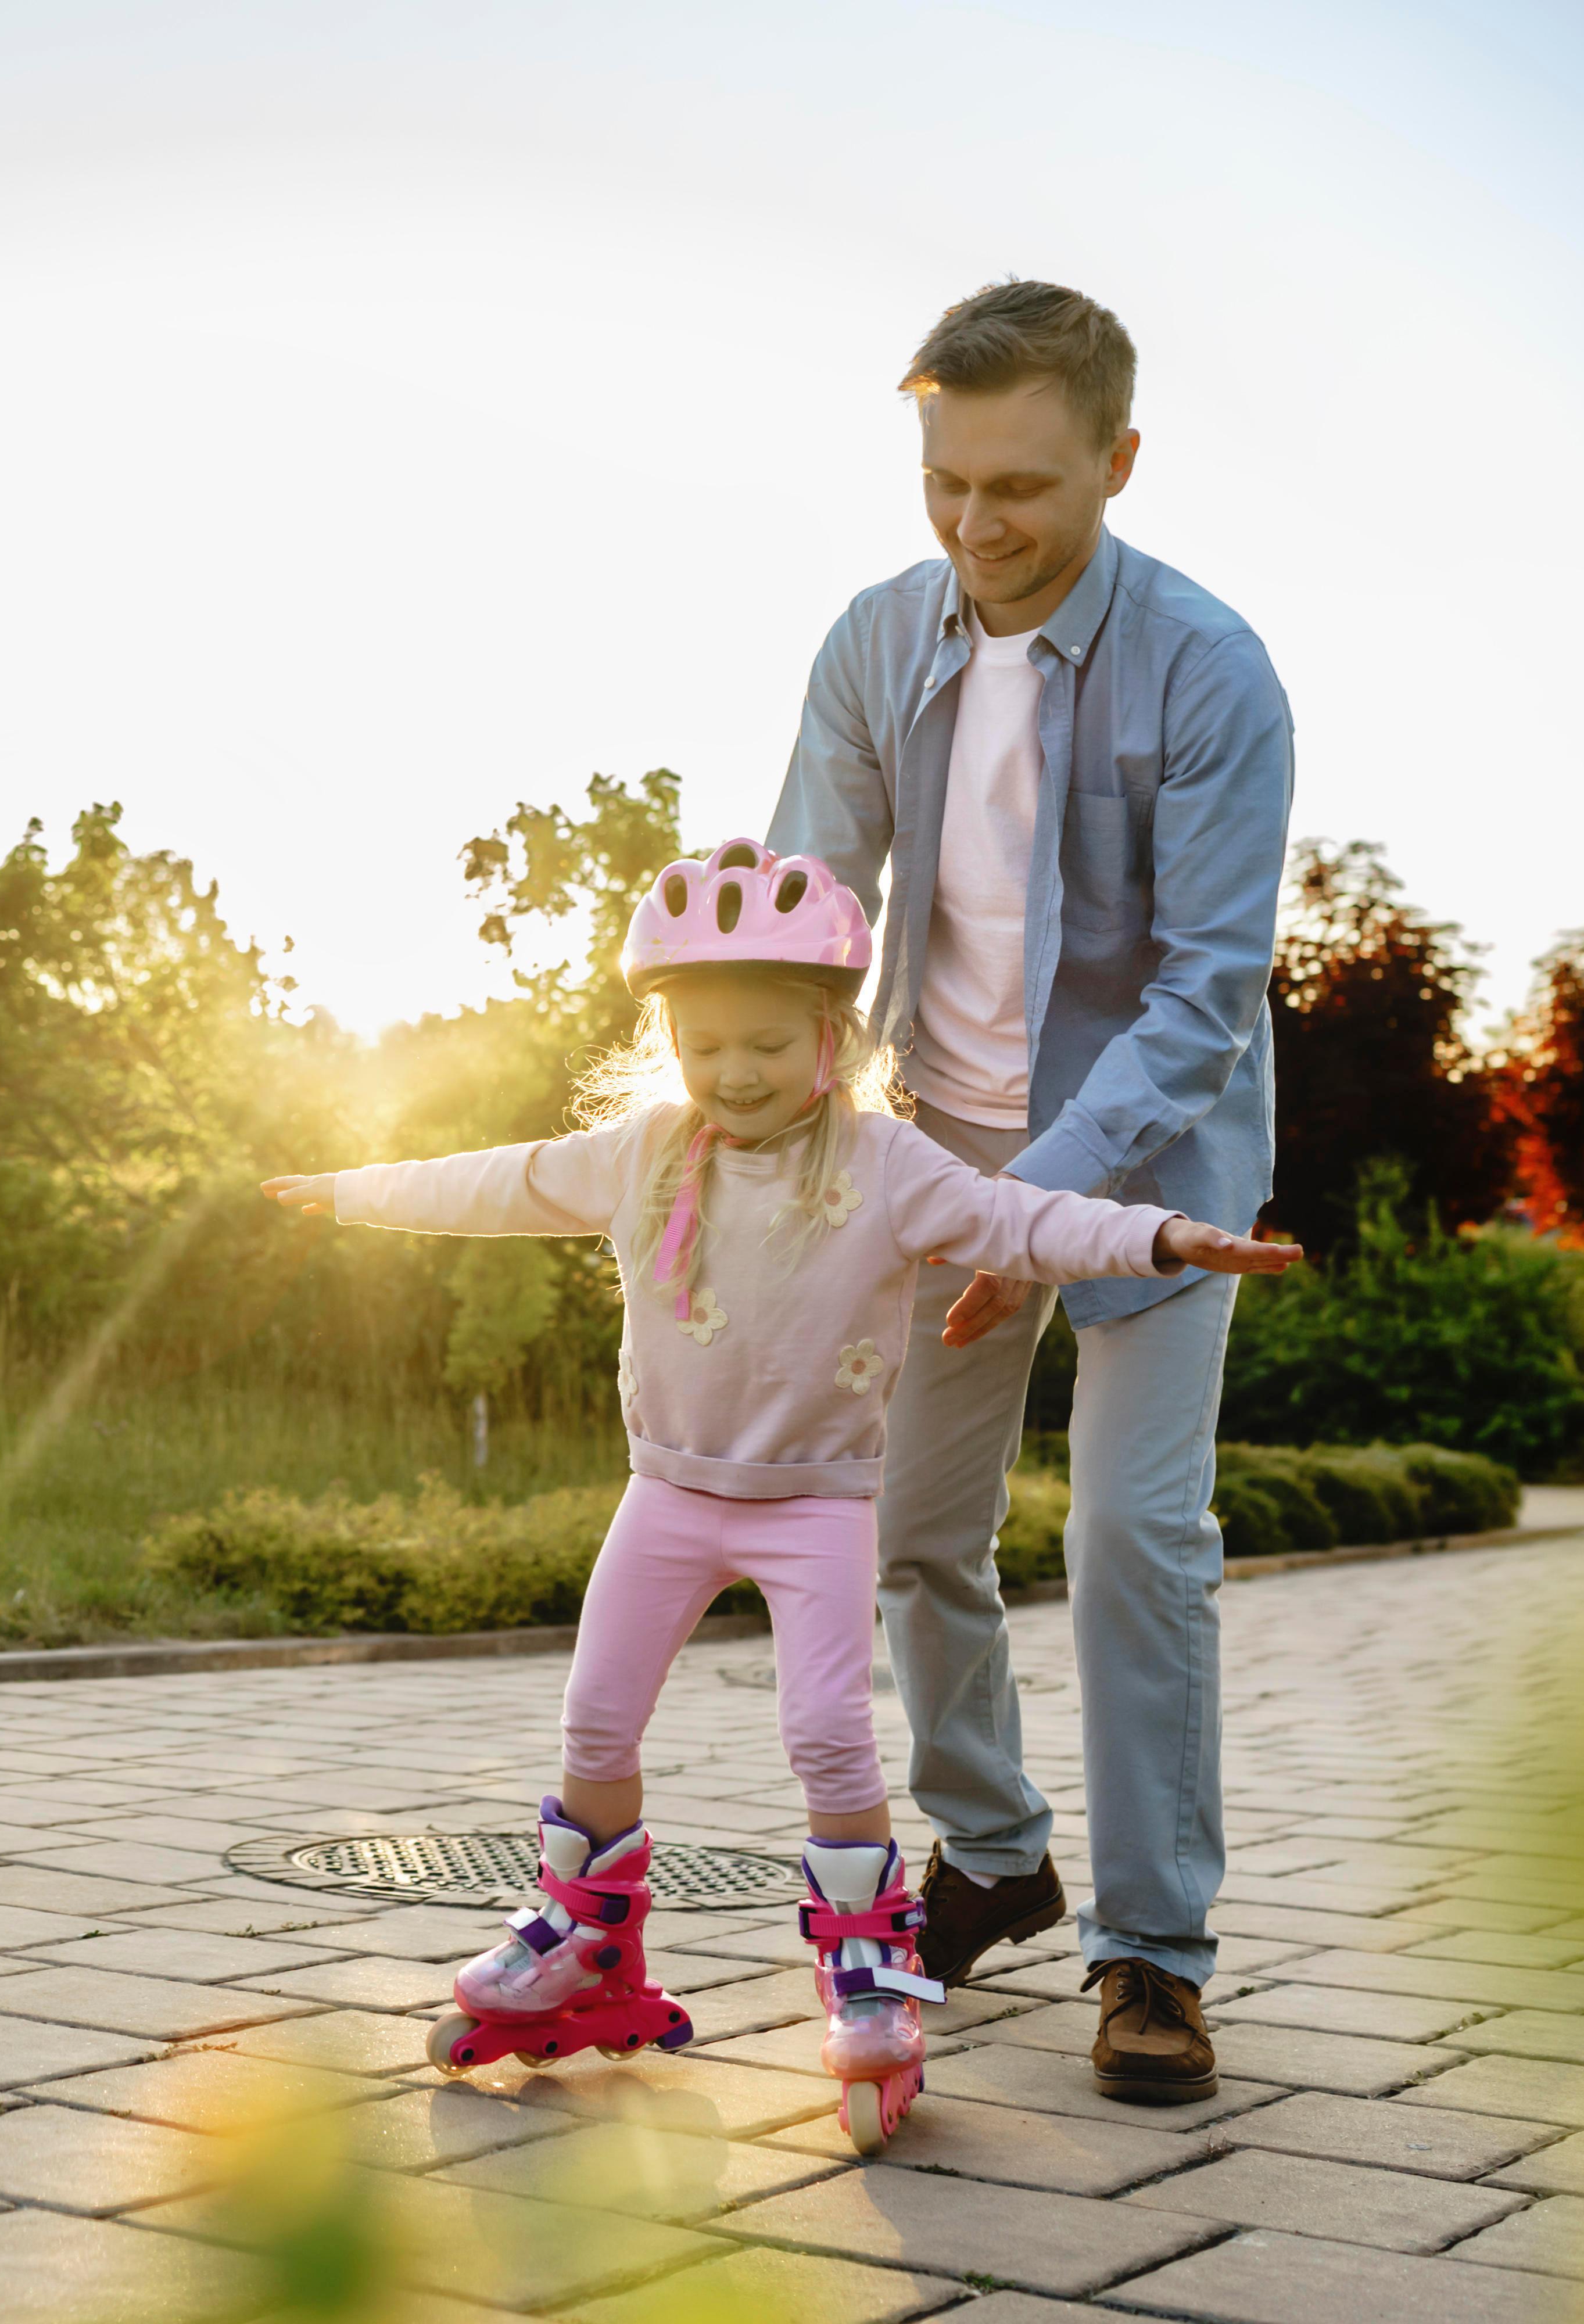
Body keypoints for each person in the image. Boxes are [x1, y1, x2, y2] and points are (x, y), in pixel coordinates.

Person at [262, 839, 1295, 2147]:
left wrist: (1160, 1232)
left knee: (827, 1735)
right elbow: (499, 1178)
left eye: (765, 1043)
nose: (733, 1074)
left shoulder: (886, 1163)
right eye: (704, 1047)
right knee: (594, 1722)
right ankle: (587, 1946)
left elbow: (1022, 1221)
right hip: (668, 1495)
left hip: (815, 1503)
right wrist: (349, 1195)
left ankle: (869, 1971)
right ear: (669, 1045)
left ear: (832, 1037)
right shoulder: (644, 1153)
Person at [768, 279, 1294, 2103]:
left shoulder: (1209, 669)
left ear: (1117, 465)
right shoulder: (874, 642)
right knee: (908, 1531)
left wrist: (1039, 1215)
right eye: (946, 483)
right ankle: (989, 1851)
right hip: (936, 1148)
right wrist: (758, 1136)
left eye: (1024, 490)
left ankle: (1151, 1957)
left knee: (1132, 1547)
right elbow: (810, 923)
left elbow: (1206, 996)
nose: (979, 529)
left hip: (1158, 1164)